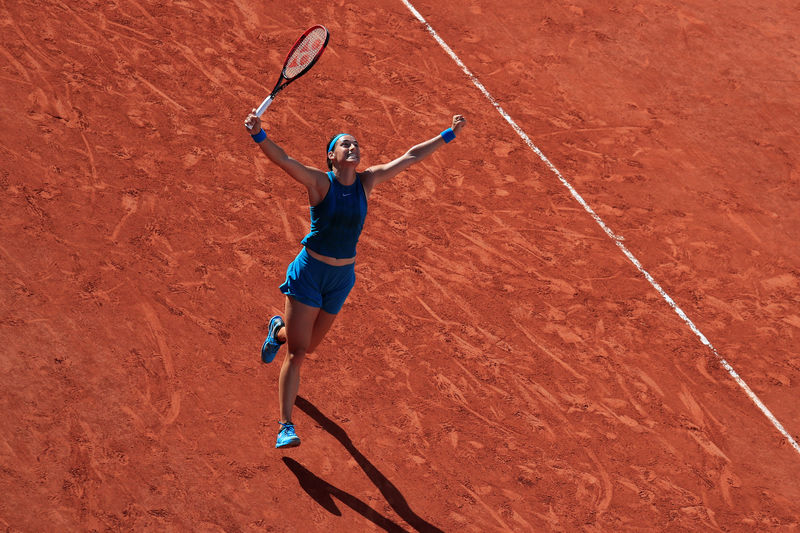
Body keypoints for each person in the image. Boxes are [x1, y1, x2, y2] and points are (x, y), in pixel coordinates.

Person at [243, 110, 467, 448]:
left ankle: (278, 331)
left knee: (308, 345)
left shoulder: (368, 181)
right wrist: (259, 134)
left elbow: (411, 156)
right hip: (309, 274)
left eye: (356, 144)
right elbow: (285, 160)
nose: (352, 148)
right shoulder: (320, 183)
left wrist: (447, 134)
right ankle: (285, 425)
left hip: (341, 279)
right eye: (344, 144)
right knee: (299, 353)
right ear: (331, 156)